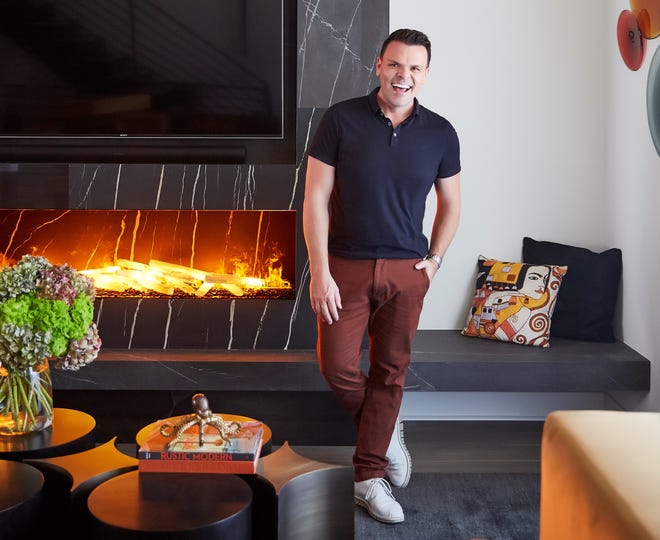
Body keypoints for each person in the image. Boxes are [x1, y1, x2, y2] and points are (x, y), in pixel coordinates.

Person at [302, 28, 461, 524]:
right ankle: (386, 429)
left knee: (391, 371)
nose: (404, 75)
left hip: (406, 270)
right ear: (377, 65)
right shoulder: (340, 120)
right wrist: (320, 272)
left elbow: (451, 203)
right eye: (396, 64)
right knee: (337, 366)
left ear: (426, 74)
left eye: (415, 67)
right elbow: (315, 199)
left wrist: (433, 261)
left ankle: (368, 478)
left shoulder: (440, 132)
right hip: (344, 266)